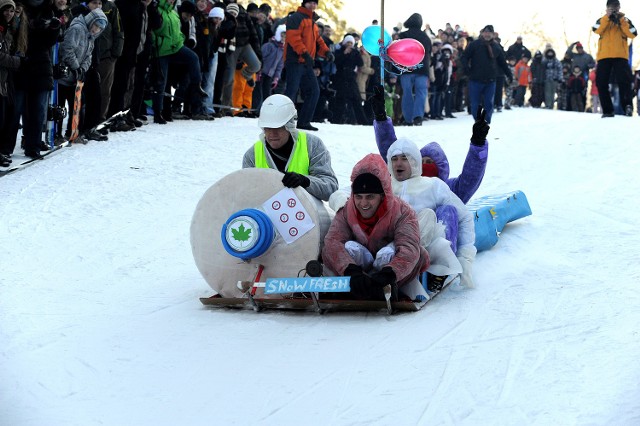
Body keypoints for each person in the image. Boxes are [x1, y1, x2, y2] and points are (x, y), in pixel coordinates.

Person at [322, 153, 429, 301]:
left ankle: (386, 287)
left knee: (393, 253)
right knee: (348, 247)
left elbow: (409, 248)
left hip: (389, 270)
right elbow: (333, 242)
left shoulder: (403, 212)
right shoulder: (347, 211)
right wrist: (349, 270)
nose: (363, 204)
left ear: (383, 195)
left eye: (370, 197)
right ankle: (355, 286)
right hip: (360, 268)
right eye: (359, 197)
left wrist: (390, 273)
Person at [370, 85, 490, 204]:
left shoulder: (447, 189)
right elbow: (392, 150)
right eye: (422, 162)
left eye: (429, 162)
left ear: (440, 167)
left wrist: (478, 143)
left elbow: (470, 178)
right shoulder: (404, 183)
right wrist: (381, 119)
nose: (425, 166)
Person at [242, 94, 338, 201]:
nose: (272, 133)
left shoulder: (312, 145)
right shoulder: (252, 155)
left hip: (307, 214)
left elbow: (331, 187)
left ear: (290, 126)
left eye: (278, 127)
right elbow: (247, 194)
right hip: (266, 216)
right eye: (268, 128)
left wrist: (305, 181)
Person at [284, 0, 333, 131]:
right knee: (291, 91)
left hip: (306, 63)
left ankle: (304, 121)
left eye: (315, 3)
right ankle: (282, 121)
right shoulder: (295, 18)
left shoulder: (312, 22)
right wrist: (304, 54)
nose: (313, 5)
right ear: (304, 3)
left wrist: (326, 52)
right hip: (295, 61)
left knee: (314, 91)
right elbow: (293, 38)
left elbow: (318, 41)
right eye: (310, 2)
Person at [592, 0, 637, 117]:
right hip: (604, 56)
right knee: (601, 82)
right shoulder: (601, 20)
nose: (614, 10)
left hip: (620, 56)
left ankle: (627, 107)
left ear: (619, 8)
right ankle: (607, 110)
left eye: (616, 7)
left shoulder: (625, 20)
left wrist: (621, 20)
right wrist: (607, 17)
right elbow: (596, 29)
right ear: (607, 8)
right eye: (611, 7)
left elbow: (633, 33)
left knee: (624, 82)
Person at [460, 24, 511, 124]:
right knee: (475, 104)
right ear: (482, 33)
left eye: (489, 33)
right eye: (485, 32)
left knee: (488, 103)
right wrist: (466, 69)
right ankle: (478, 121)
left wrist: (509, 74)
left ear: (493, 35)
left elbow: (503, 63)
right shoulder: (474, 45)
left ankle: (486, 122)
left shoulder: (496, 47)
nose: (487, 34)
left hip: (490, 80)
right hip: (475, 79)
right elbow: (464, 57)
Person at [397, 12, 431, 126]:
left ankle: (408, 118)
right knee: (421, 93)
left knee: (407, 93)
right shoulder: (425, 37)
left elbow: (397, 52)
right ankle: (418, 116)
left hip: (406, 68)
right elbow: (428, 53)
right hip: (422, 69)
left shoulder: (402, 35)